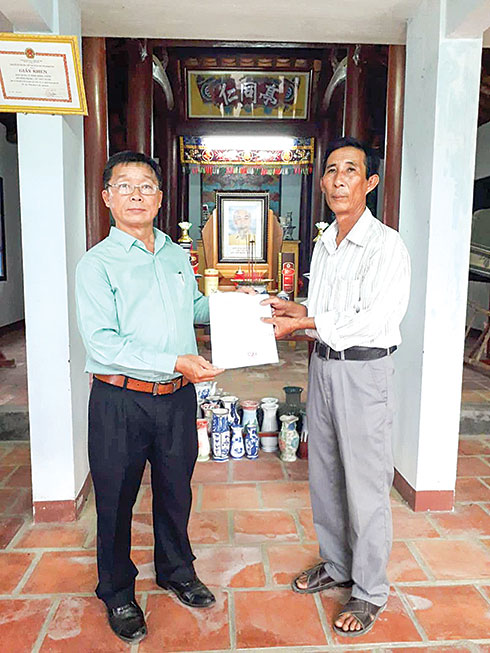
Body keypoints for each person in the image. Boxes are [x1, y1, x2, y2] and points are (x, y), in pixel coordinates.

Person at [261, 136, 410, 638]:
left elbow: (372, 321)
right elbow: (325, 312)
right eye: (331, 170)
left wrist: (305, 325)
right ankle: (337, 564)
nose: (339, 178)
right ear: (322, 182)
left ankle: (369, 590)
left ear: (369, 182)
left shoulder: (386, 245)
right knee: (323, 472)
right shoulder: (327, 244)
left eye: (351, 169)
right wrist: (298, 313)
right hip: (322, 367)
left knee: (366, 484)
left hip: (364, 371)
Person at [75, 151, 224, 644]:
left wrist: (246, 310)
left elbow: (195, 306)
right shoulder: (96, 264)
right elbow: (102, 342)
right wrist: (175, 361)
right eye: (125, 185)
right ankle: (116, 590)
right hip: (119, 400)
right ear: (107, 198)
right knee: (115, 499)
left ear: (160, 198)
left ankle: (176, 570)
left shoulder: (177, 255)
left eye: (146, 186)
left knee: (176, 490)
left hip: (178, 397)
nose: (136, 194)